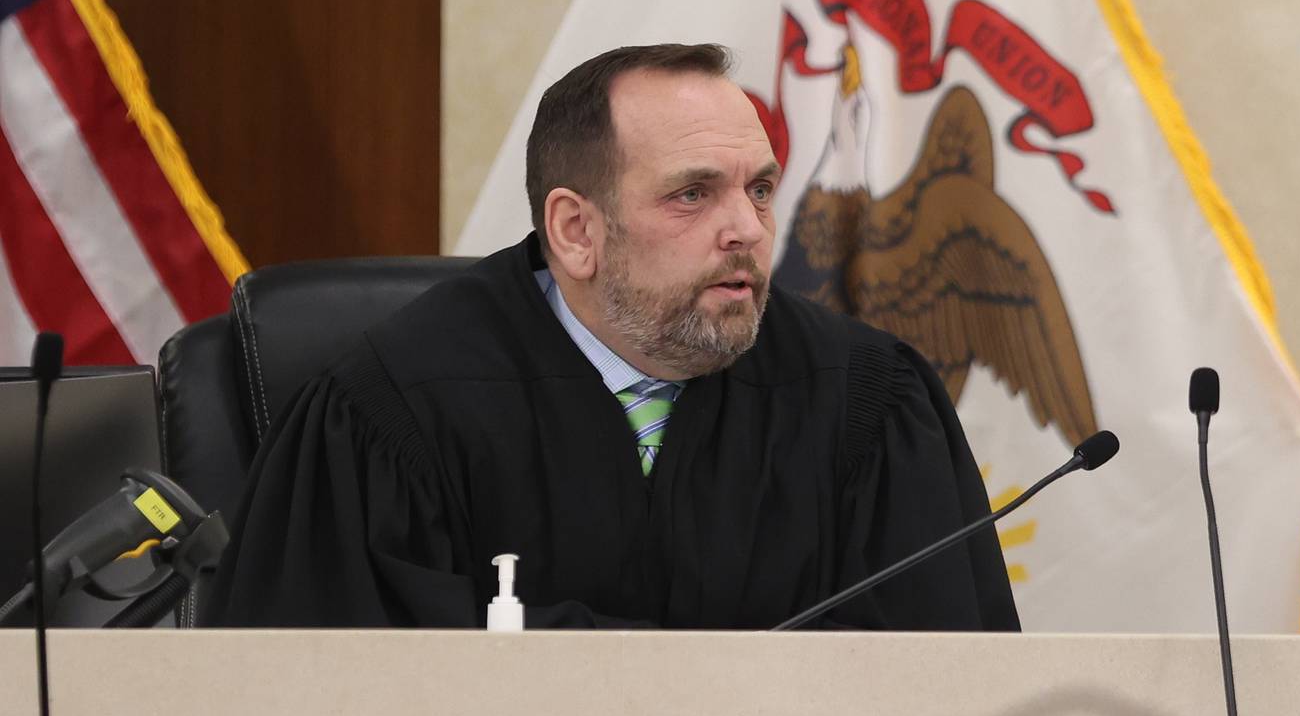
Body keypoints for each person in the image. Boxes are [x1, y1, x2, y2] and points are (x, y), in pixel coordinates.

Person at [205, 43, 1019, 631]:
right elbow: (310, 715)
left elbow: (945, 704)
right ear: (575, 230)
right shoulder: (390, 412)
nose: (748, 230)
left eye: (760, 188)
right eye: (693, 194)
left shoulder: (867, 403)